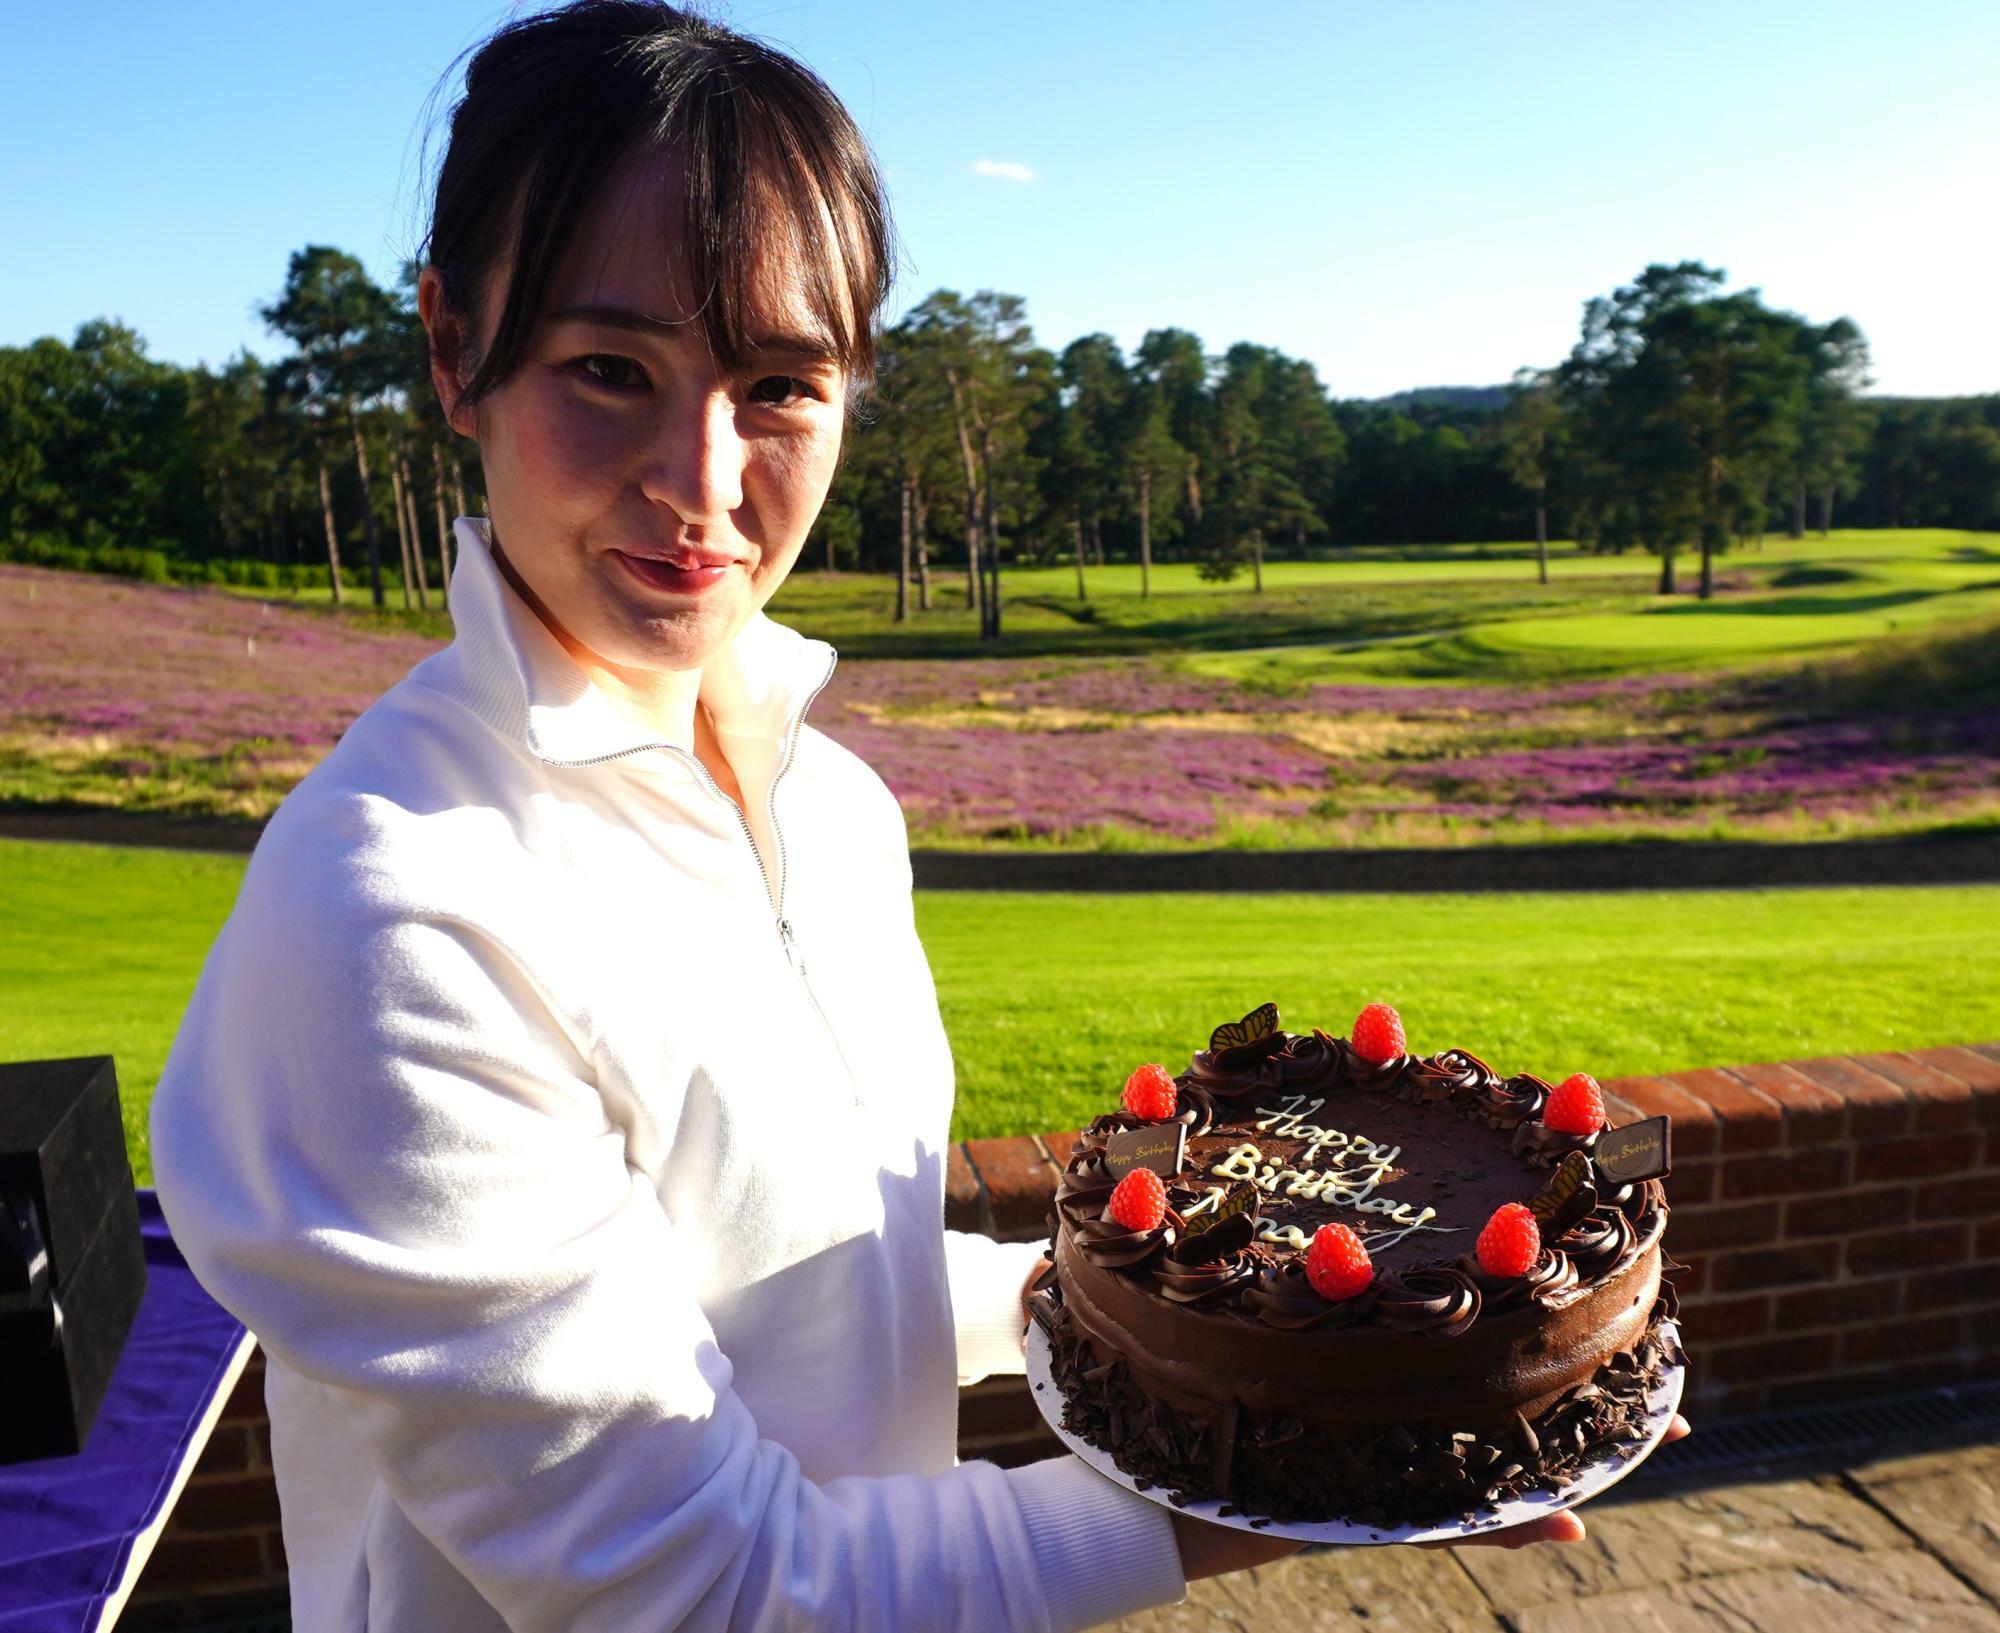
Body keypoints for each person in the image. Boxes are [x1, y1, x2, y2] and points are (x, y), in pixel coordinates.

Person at [150, 5, 1678, 1629]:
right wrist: (1311, 1475)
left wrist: (1209, 1330)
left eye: (780, 384)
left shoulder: (832, 803)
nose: (703, 478)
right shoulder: (391, 918)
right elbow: (706, 1589)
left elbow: (819, 1288)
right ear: (457, 348)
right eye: (611, 369)